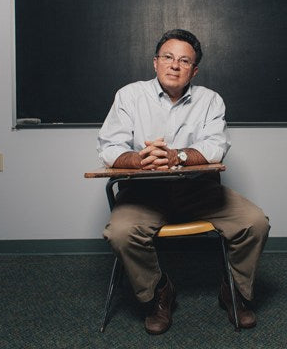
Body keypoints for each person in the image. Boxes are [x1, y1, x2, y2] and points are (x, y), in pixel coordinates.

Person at [97, 29, 270, 335]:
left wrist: (177, 156)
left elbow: (216, 146)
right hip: (143, 194)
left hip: (198, 191)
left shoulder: (210, 101)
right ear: (155, 63)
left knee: (255, 222)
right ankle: (159, 292)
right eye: (167, 57)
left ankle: (234, 291)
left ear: (194, 70)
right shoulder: (129, 96)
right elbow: (109, 148)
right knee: (121, 233)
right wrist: (140, 159)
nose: (174, 65)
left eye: (184, 60)